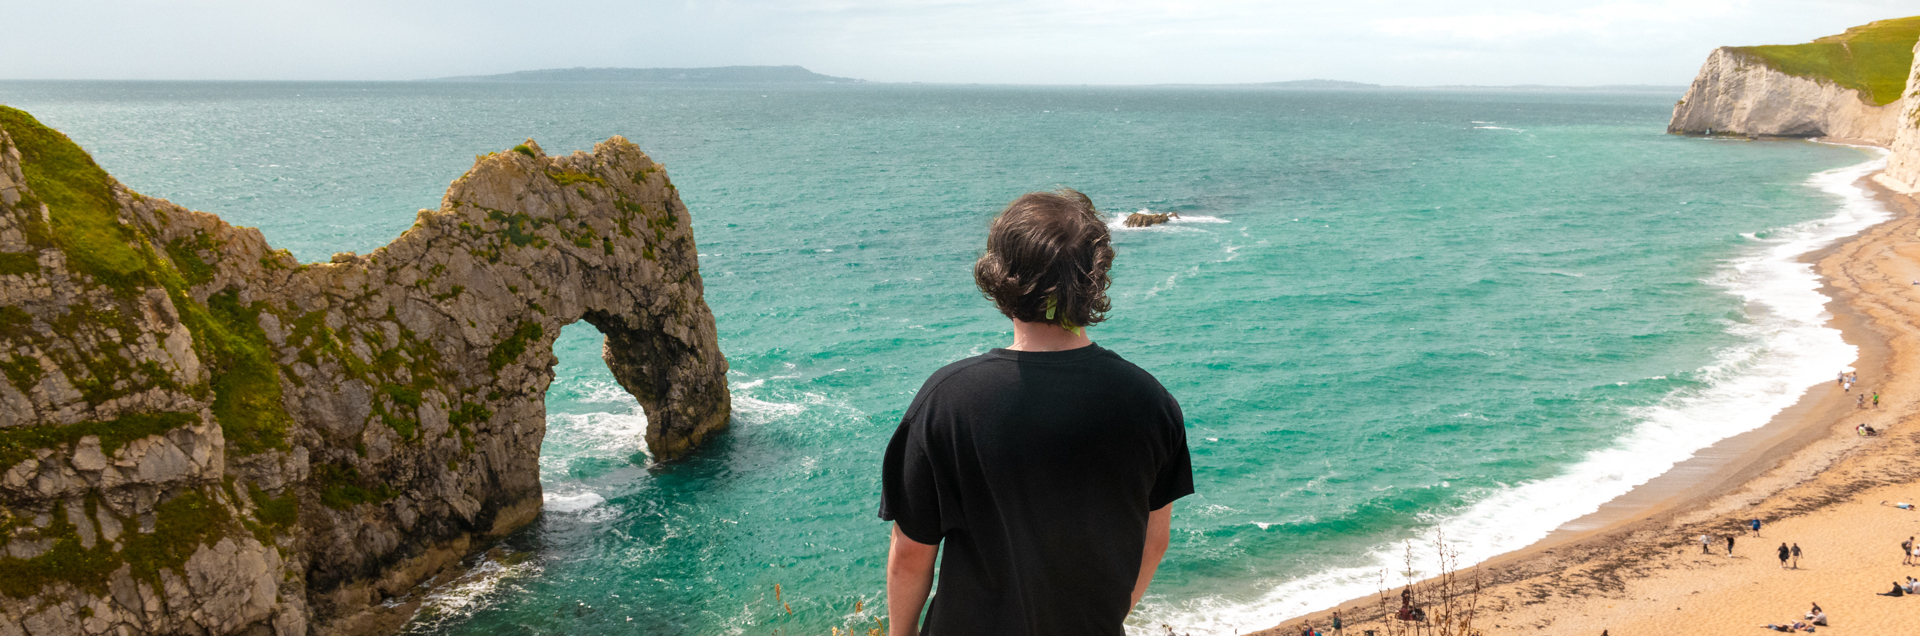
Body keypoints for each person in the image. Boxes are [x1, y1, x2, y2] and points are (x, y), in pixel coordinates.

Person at [879, 189, 1194, 636]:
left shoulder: (946, 401)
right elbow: (1154, 540)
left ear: (998, 275)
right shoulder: (1151, 401)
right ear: (1096, 276)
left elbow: (912, 554)